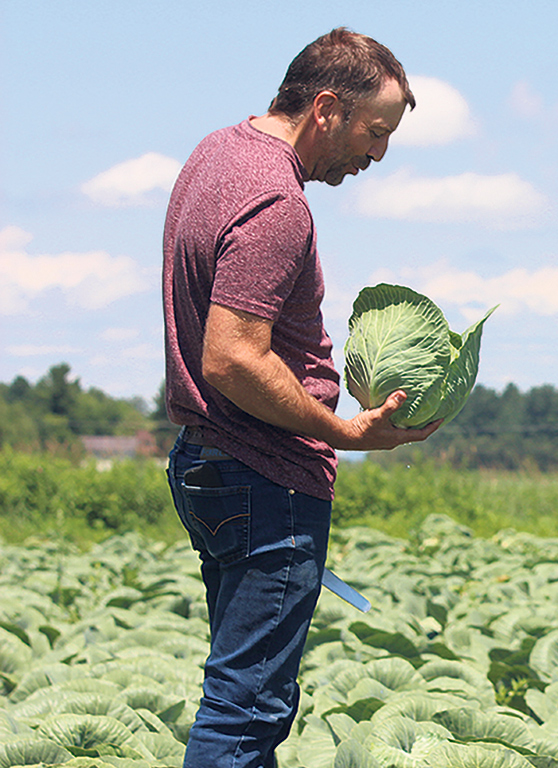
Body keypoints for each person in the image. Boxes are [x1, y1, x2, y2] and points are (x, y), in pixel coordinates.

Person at [162, 28, 438, 768]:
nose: (377, 155)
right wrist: (343, 431)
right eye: (374, 132)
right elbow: (231, 357)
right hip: (264, 478)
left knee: (244, 694)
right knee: (246, 709)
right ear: (325, 108)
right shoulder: (277, 199)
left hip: (209, 462)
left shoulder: (215, 153)